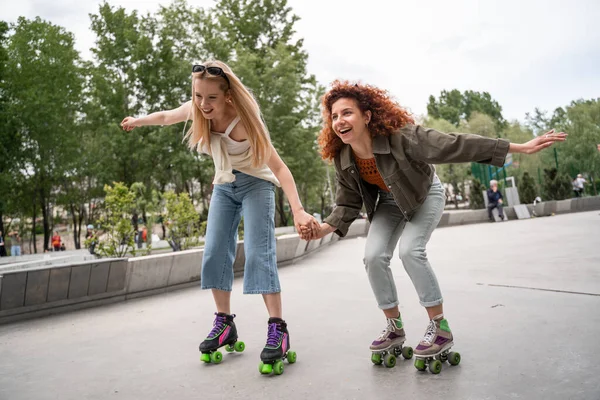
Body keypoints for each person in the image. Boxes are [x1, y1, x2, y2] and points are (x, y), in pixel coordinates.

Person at [302, 81, 566, 364]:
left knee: (410, 251)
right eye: (334, 116)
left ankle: (439, 327)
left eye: (347, 113)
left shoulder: (402, 137)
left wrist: (519, 148)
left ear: (366, 116)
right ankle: (394, 327)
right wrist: (323, 229)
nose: (339, 121)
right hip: (390, 204)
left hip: (425, 194)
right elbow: (347, 204)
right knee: (373, 256)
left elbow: (456, 145)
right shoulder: (343, 158)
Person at [121, 60, 318, 371]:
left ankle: (277, 329)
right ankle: (224, 322)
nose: (203, 104)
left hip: (257, 185)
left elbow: (280, 168)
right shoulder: (198, 109)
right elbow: (166, 117)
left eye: (211, 98)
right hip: (225, 185)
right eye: (198, 96)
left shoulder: (245, 122)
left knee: (257, 254)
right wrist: (138, 120)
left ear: (227, 95)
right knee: (213, 252)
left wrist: (298, 210)